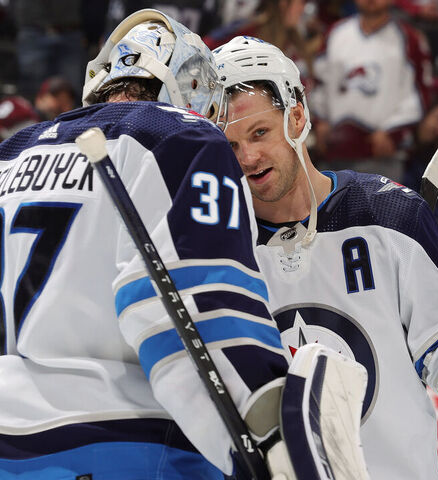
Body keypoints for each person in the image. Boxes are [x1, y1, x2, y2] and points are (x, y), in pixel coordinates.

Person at [0, 9, 369, 480]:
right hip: (126, 448)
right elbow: (192, 309)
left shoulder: (14, 153)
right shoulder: (181, 136)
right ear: (190, 83)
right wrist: (271, 437)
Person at [212, 35, 438, 480]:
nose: (248, 156)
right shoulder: (216, 246)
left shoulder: (390, 215)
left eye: (259, 132)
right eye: (230, 144)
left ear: (297, 116)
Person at [310, 0, 435, 182]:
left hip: (382, 155)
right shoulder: (335, 33)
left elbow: (420, 94)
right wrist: (319, 122)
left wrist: (393, 133)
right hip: (334, 152)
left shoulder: (409, 39)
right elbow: (319, 83)